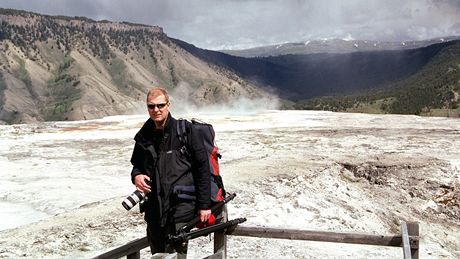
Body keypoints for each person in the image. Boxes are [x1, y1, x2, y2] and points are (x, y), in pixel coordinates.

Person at [130, 87, 212, 258]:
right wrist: (136, 175)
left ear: (168, 105)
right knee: (158, 255)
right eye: (151, 106)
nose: (156, 110)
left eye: (160, 105)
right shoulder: (144, 135)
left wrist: (204, 205)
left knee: (176, 256)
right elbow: (136, 165)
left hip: (180, 209)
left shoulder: (186, 131)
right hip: (154, 211)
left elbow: (202, 168)